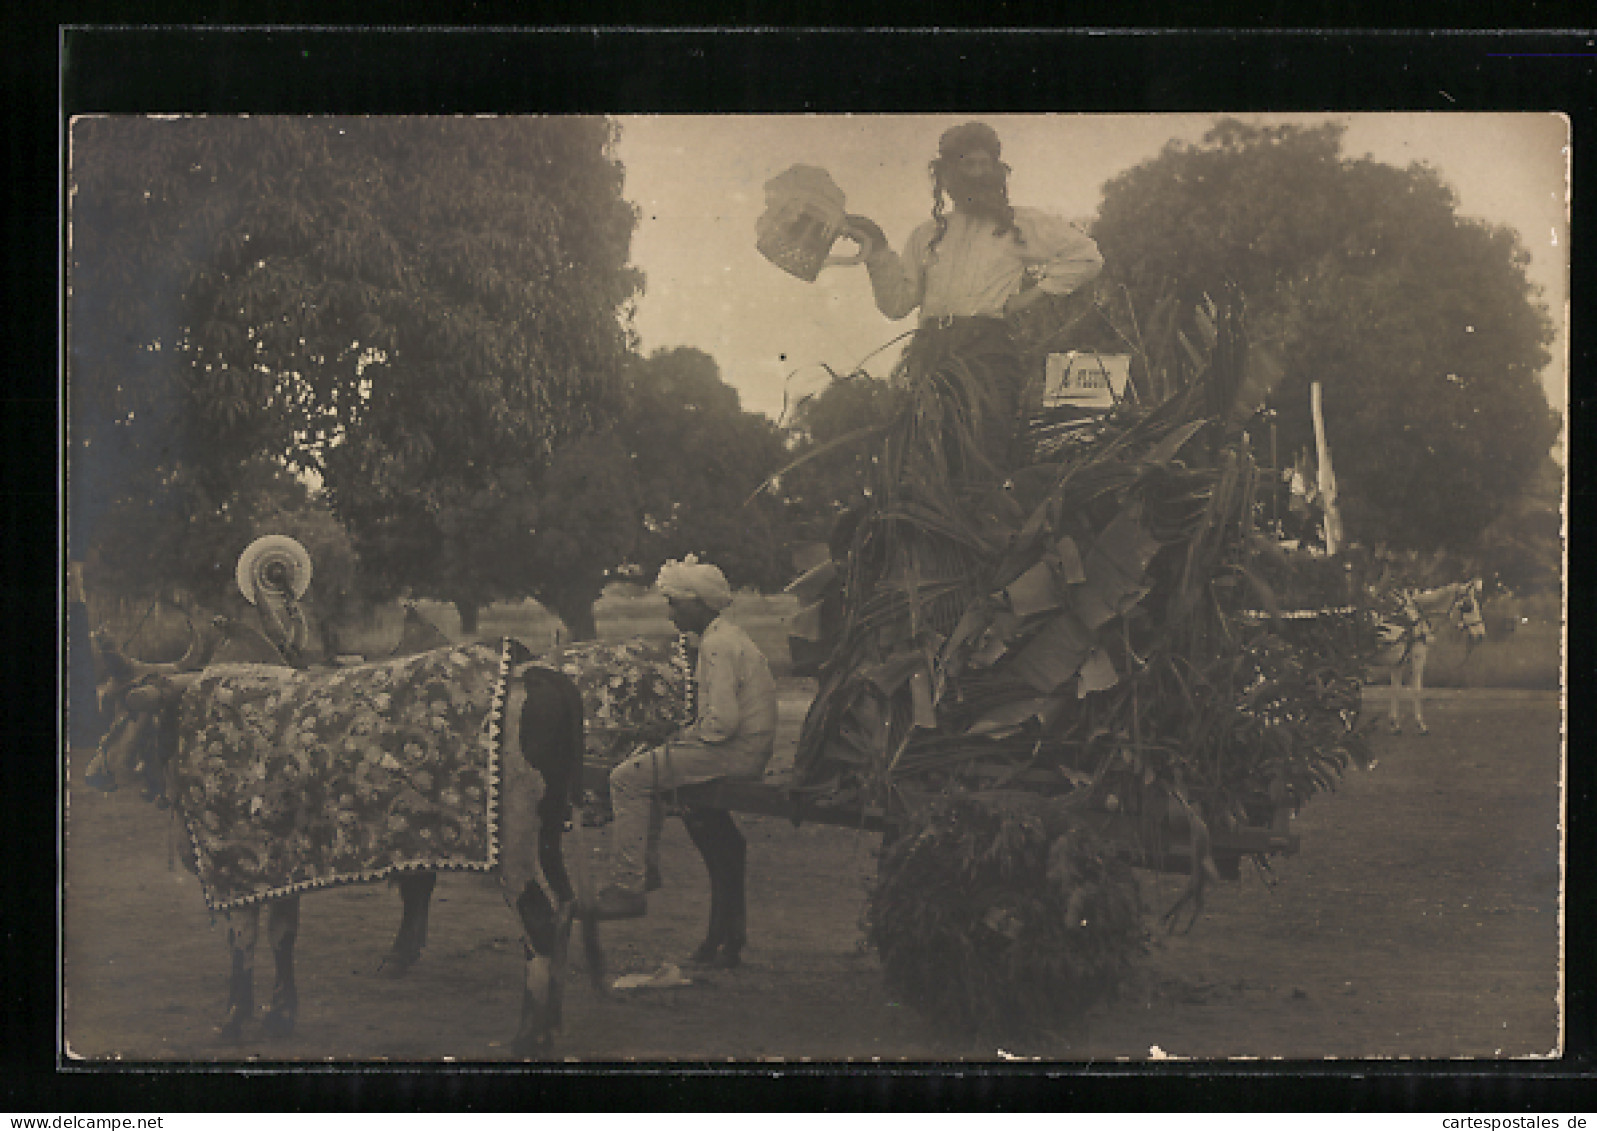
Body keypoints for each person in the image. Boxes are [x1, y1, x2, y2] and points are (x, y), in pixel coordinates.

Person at [845, 120, 1105, 467]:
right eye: (969, 164)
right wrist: (875, 248)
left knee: (986, 451)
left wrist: (1026, 299)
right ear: (948, 173)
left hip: (988, 353)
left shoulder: (1019, 225)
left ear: (998, 171)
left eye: (986, 165)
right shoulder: (926, 235)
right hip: (932, 355)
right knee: (930, 458)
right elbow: (896, 304)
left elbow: (1086, 257)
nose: (979, 174)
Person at [591, 559, 778, 920]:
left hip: (736, 753)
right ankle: (645, 868)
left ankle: (628, 884)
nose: (670, 611)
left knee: (625, 779)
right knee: (652, 763)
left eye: (675, 602)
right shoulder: (725, 636)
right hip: (741, 747)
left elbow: (721, 725)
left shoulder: (717, 646)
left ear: (697, 603)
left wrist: (684, 737)